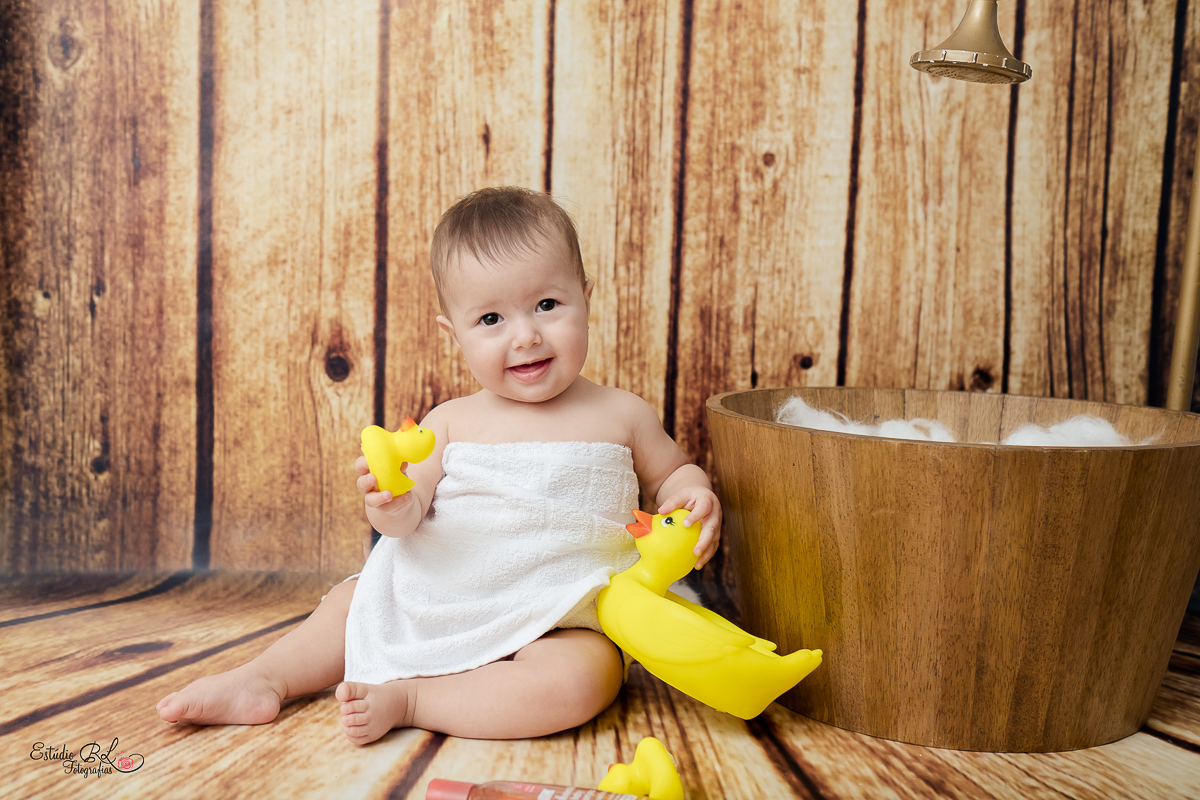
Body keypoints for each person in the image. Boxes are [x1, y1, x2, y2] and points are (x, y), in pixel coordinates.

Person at [156, 186, 722, 745]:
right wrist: (393, 503)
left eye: (547, 305)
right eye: (491, 319)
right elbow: (404, 523)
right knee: (350, 605)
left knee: (581, 682)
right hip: (449, 591)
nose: (525, 335)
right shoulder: (449, 422)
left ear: (586, 299)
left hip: (567, 611)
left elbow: (673, 473)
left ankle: (414, 699)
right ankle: (263, 679)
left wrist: (693, 495)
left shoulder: (623, 414)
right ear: (454, 335)